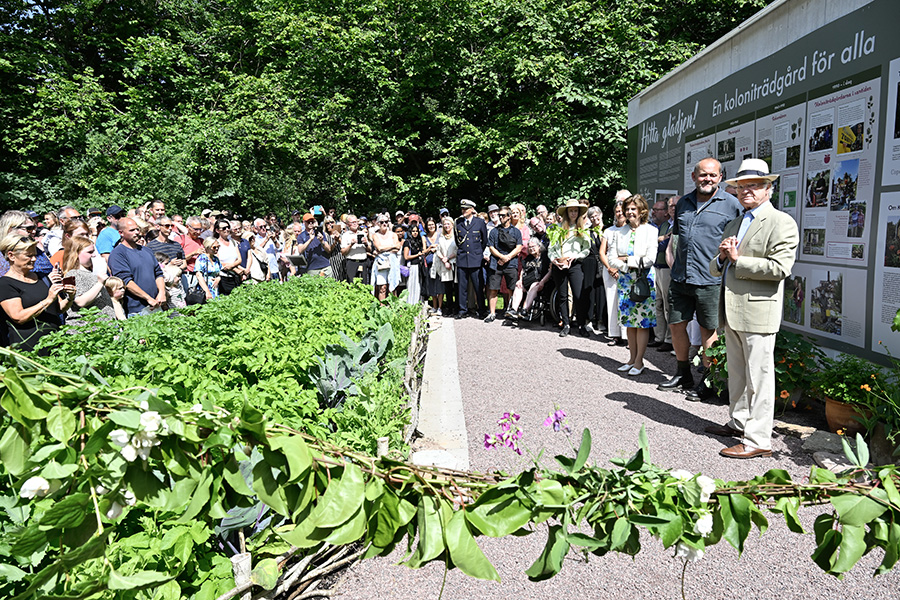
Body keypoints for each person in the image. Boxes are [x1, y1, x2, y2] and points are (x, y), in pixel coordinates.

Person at [705, 158, 799, 459]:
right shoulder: (734, 222)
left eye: (754, 186)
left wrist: (736, 260)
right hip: (731, 309)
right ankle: (739, 422)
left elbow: (780, 268)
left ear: (768, 189)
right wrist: (721, 259)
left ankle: (758, 440)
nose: (746, 191)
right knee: (737, 373)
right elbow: (714, 267)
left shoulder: (781, 222)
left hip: (758, 311)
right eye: (741, 187)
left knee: (759, 377)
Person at [659, 158, 741, 397]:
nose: (707, 179)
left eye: (713, 176)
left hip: (710, 280)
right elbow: (676, 239)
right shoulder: (683, 203)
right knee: (676, 325)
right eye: (703, 175)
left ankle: (709, 380)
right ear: (694, 177)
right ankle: (683, 373)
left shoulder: (732, 205)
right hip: (681, 278)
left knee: (708, 331)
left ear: (720, 177)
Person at [607, 195, 657, 376]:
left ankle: (639, 361)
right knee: (629, 322)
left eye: (633, 209)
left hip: (644, 280)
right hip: (626, 279)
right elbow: (612, 258)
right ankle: (631, 358)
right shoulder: (619, 232)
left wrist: (627, 259)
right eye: (627, 209)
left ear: (642, 211)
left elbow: (651, 258)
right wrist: (627, 264)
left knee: (642, 323)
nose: (629, 212)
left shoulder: (651, 231)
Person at [0, 235, 74, 352]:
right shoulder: (5, 284)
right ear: (11, 256)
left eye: (35, 255)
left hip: (56, 343)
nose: (34, 259)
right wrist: (48, 300)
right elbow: (18, 317)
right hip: (29, 348)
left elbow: (59, 308)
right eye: (29, 256)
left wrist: (70, 297)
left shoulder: (42, 277)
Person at [548, 199, 590, 337]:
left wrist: (575, 257)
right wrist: (554, 260)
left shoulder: (582, 229)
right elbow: (551, 248)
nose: (573, 213)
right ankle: (565, 323)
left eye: (575, 211)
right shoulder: (558, 228)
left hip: (575, 264)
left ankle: (581, 324)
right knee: (562, 295)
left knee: (579, 295)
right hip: (559, 264)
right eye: (571, 210)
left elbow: (586, 249)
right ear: (567, 212)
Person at [108, 217, 166, 316]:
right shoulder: (118, 254)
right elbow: (126, 281)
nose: (137, 232)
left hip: (155, 305)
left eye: (137, 229)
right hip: (135, 310)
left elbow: (158, 273)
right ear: (121, 233)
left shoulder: (146, 250)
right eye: (132, 230)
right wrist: (148, 298)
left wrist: (162, 292)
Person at [61, 237, 116, 325]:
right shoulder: (72, 274)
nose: (94, 255)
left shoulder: (91, 274)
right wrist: (100, 283)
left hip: (103, 328)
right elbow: (80, 301)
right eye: (90, 252)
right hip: (87, 330)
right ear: (76, 254)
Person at [600, 195, 629, 346]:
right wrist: (610, 268)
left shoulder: (631, 229)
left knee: (625, 301)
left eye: (622, 211)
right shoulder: (608, 230)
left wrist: (621, 264)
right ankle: (614, 334)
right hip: (609, 270)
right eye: (617, 211)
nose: (620, 213)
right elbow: (601, 252)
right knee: (611, 301)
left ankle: (627, 335)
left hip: (625, 269)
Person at [484, 206, 523, 322]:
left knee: (512, 289)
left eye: (503, 215)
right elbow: (491, 247)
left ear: (509, 216)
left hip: (511, 263)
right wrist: (501, 257)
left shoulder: (516, 232)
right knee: (493, 289)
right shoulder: (494, 231)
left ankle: (511, 312)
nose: (500, 217)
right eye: (499, 215)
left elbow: (519, 247)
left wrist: (508, 257)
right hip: (496, 263)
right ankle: (492, 313)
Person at [454, 199, 488, 318]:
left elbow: (484, 241)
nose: (463, 211)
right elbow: (457, 241)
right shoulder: (458, 222)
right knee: (462, 287)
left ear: (472, 209)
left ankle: (481, 310)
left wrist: (477, 253)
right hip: (462, 258)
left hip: (475, 259)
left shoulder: (479, 222)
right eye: (462, 209)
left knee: (478, 286)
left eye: (466, 209)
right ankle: (462, 310)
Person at [651, 198, 674, 351]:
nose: (654, 212)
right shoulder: (664, 225)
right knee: (657, 303)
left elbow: (663, 246)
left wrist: (660, 240)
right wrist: (660, 240)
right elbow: (654, 244)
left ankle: (670, 339)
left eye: (657, 209)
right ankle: (659, 337)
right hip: (657, 267)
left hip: (667, 269)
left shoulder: (677, 224)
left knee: (668, 304)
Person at [507, 237, 550, 320]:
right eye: (529, 247)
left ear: (539, 246)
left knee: (534, 285)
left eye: (533, 246)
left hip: (540, 282)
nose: (531, 249)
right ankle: (513, 310)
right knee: (518, 286)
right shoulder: (528, 258)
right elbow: (523, 270)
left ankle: (525, 310)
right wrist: (520, 280)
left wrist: (542, 281)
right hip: (527, 281)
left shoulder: (545, 257)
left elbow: (550, 271)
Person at [582, 206, 605, 335]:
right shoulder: (587, 231)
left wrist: (601, 231)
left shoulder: (606, 229)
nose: (594, 218)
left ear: (601, 215)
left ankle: (600, 320)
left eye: (596, 215)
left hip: (602, 262)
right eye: (591, 216)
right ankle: (589, 319)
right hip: (589, 262)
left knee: (601, 291)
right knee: (589, 290)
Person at [371, 214, 402, 301]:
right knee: (382, 288)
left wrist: (383, 249)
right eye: (382, 222)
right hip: (381, 263)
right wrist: (392, 247)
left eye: (386, 222)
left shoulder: (393, 234)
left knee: (393, 287)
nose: (384, 224)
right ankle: (382, 309)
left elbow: (398, 247)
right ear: (378, 224)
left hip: (392, 262)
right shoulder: (375, 235)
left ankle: (394, 309)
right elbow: (379, 248)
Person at [432, 216, 457, 315]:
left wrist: (448, 258)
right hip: (444, 265)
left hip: (454, 264)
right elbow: (438, 251)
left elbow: (457, 250)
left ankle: (457, 308)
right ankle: (449, 308)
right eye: (444, 224)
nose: (446, 226)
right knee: (448, 289)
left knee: (456, 287)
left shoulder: (456, 236)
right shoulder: (441, 237)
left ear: (452, 225)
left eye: (448, 224)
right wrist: (444, 259)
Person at [402, 219, 427, 305]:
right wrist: (417, 255)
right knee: (412, 286)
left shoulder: (418, 241)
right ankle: (410, 304)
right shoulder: (407, 242)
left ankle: (417, 303)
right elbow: (406, 257)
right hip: (412, 266)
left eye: (416, 231)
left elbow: (423, 251)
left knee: (418, 285)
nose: (415, 233)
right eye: (413, 231)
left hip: (419, 266)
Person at [215, 219, 243, 294]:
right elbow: (217, 261)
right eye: (224, 228)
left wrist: (232, 266)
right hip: (223, 277)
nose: (227, 229)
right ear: (217, 230)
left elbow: (239, 259)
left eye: (228, 227)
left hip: (235, 277)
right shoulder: (216, 243)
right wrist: (234, 269)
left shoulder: (233, 242)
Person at [341, 214, 369, 282]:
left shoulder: (363, 233)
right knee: (351, 285)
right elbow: (343, 252)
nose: (355, 224)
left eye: (356, 222)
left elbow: (369, 250)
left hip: (363, 262)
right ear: (348, 224)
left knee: (364, 284)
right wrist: (351, 244)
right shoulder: (345, 235)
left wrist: (366, 244)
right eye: (352, 222)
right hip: (352, 263)